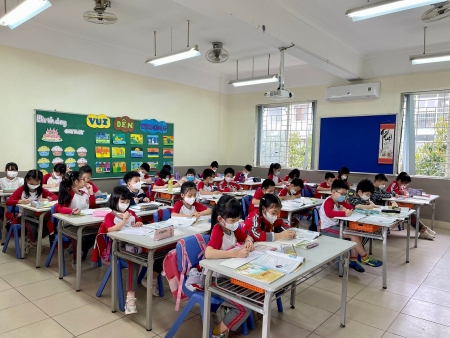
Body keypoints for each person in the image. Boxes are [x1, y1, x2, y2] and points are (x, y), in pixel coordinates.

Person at [93, 186, 162, 314]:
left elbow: (139, 220)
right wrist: (124, 220)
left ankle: (151, 280)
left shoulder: (132, 213)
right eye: (122, 202)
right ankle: (130, 296)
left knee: (159, 252)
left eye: (127, 202)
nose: (125, 205)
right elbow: (110, 230)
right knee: (133, 260)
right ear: (114, 201)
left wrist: (139, 223)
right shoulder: (110, 216)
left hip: (136, 244)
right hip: (118, 248)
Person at [205, 195, 254, 338]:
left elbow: (244, 235)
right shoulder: (218, 230)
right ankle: (217, 330)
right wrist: (235, 254)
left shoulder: (232, 228)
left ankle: (228, 311)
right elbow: (208, 253)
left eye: (238, 219)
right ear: (220, 219)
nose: (236, 223)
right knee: (245, 307)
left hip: (228, 274)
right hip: (214, 279)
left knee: (255, 293)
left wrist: (249, 239)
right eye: (233, 220)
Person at [319, 179, 382, 273]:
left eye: (345, 194)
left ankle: (353, 259)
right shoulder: (329, 201)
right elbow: (329, 213)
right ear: (333, 192)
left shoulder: (338, 201)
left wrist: (347, 208)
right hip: (327, 230)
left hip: (336, 227)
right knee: (353, 235)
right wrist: (344, 214)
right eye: (342, 193)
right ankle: (365, 258)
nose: (343, 196)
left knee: (357, 232)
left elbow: (350, 207)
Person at [6, 170, 58, 250]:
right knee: (32, 227)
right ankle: (32, 241)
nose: (34, 186)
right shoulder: (22, 189)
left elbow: (55, 196)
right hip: (24, 216)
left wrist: (47, 199)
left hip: (38, 215)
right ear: (27, 180)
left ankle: (33, 241)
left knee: (50, 224)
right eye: (31, 184)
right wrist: (21, 201)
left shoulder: (40, 189)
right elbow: (8, 201)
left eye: (37, 184)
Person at [55, 171, 97, 268]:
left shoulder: (84, 193)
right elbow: (60, 208)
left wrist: (91, 192)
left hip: (85, 222)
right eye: (83, 179)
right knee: (77, 235)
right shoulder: (69, 193)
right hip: (68, 224)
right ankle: (75, 255)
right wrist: (71, 211)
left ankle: (74, 250)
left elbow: (92, 206)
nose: (86, 181)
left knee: (98, 233)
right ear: (76, 182)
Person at [387, 173, 435, 239]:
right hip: (393, 206)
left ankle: (423, 229)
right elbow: (389, 192)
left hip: (401, 204)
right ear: (399, 181)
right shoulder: (394, 184)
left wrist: (404, 192)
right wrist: (400, 193)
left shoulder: (401, 185)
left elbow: (405, 191)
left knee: (410, 212)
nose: (405, 185)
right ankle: (423, 228)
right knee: (410, 213)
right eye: (405, 183)